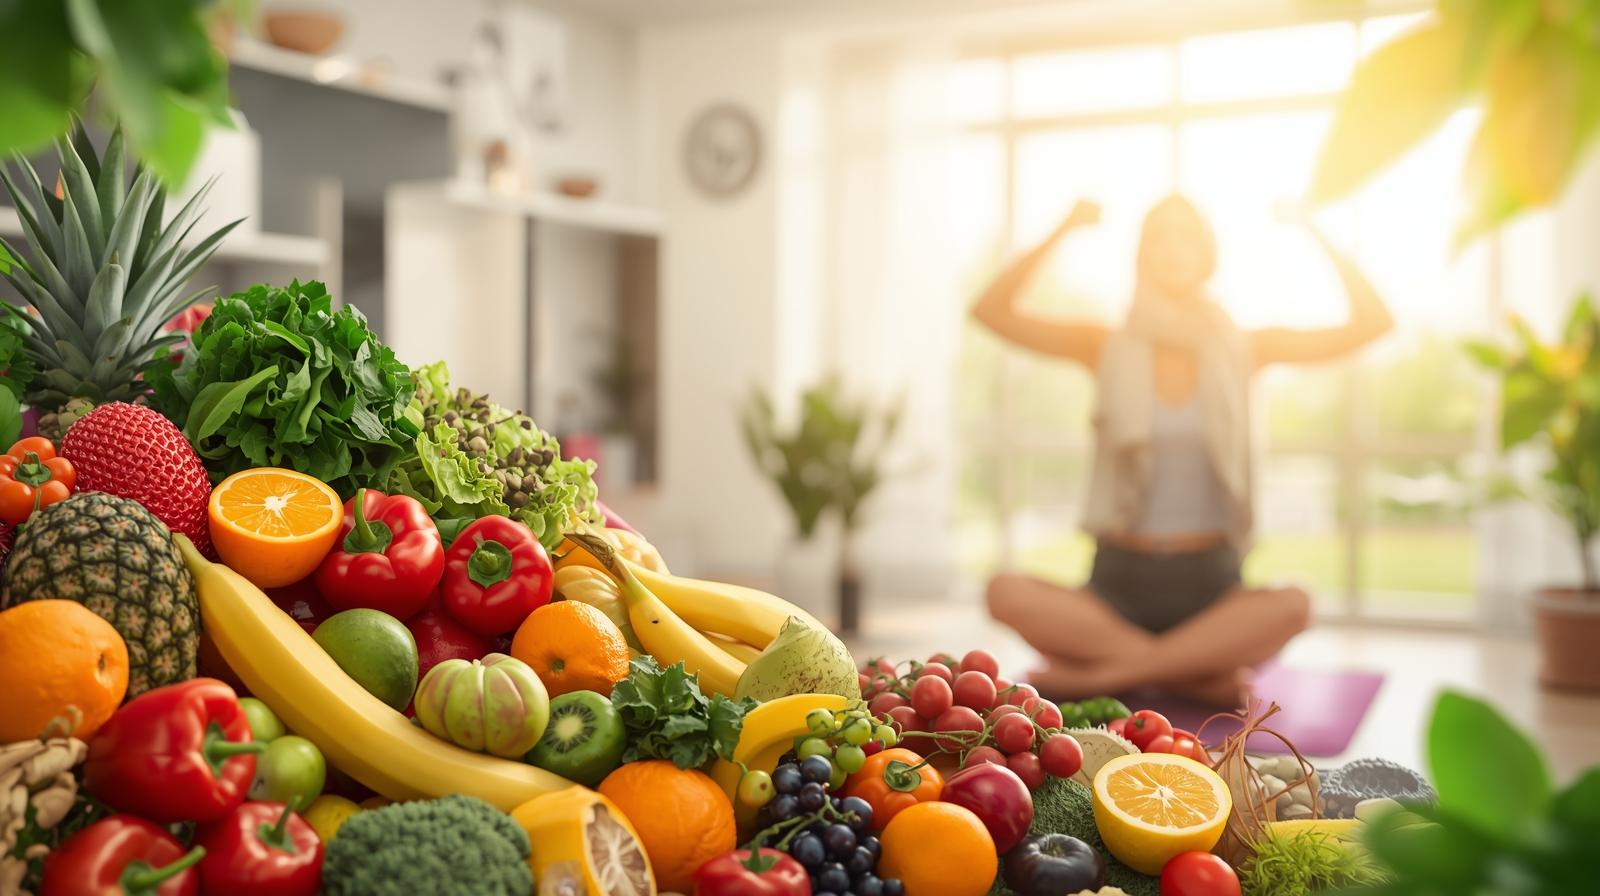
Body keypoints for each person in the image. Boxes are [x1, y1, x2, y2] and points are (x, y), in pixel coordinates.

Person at [975, 195, 1392, 706]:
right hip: (1116, 579)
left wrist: (1315, 231)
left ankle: (1100, 677)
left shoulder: (1244, 346)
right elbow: (990, 311)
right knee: (1004, 590)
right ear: (1142, 254)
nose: (1174, 248)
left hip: (1212, 582)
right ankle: (1191, 673)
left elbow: (1371, 323)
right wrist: (1062, 228)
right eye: (1160, 237)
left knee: (1294, 603)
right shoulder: (1104, 344)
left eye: (1187, 235)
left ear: (1208, 254)